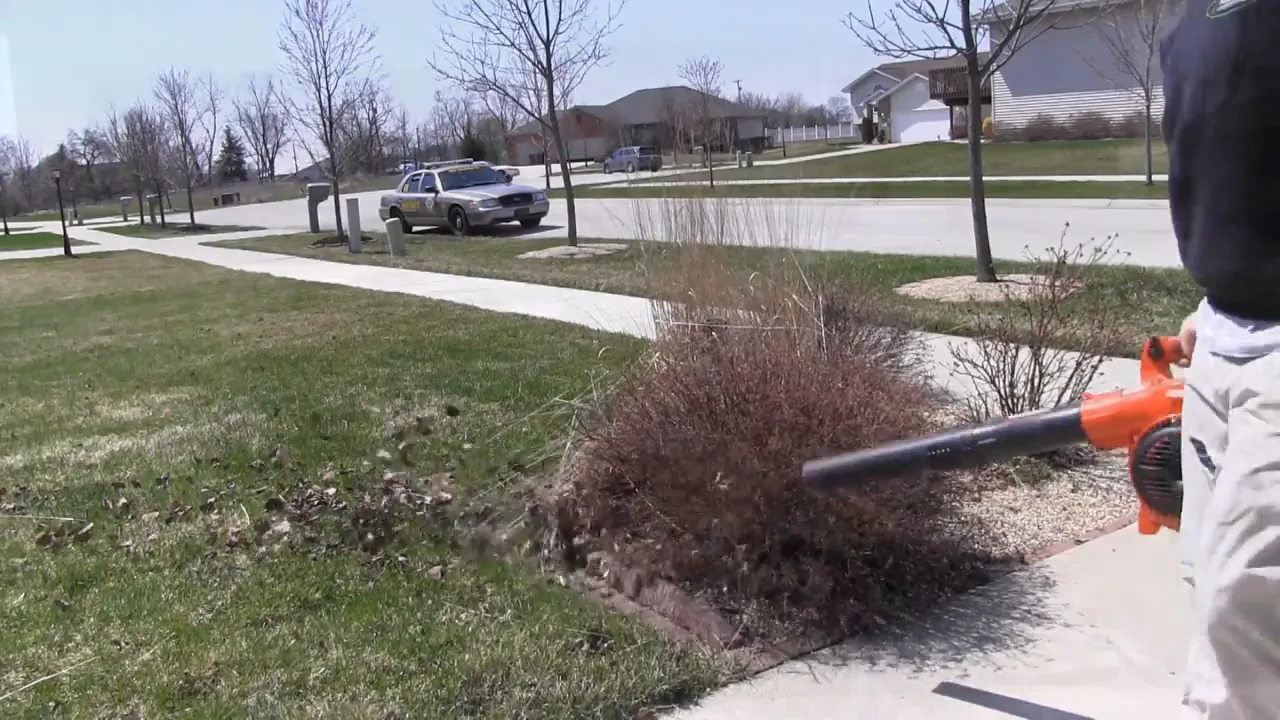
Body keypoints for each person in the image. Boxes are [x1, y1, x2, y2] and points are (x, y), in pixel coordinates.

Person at [1162, 0, 1280, 717]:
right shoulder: (1191, 23)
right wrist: (1220, 284)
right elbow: (1220, 163)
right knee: (1207, 580)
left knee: (1242, 598)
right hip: (1223, 334)